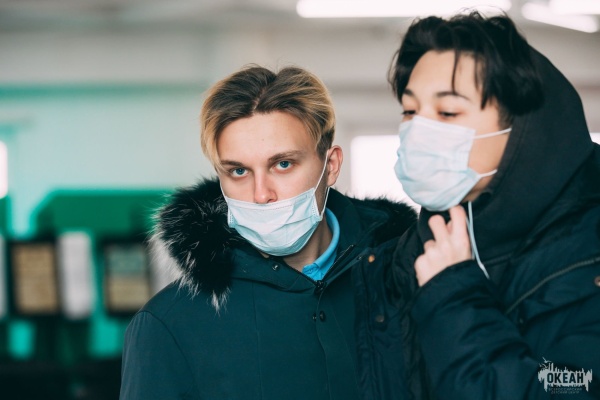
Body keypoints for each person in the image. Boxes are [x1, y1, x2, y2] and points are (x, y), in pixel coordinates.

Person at [119, 65, 416, 399]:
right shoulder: (170, 325)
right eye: (239, 171)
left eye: (283, 164)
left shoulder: (406, 282)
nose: (261, 194)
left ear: (330, 166)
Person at [355, 11, 600, 399]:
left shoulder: (589, 252)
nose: (418, 130)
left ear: (522, 125)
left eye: (448, 112)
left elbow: (571, 388)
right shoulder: (411, 255)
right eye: (410, 111)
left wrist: (453, 296)